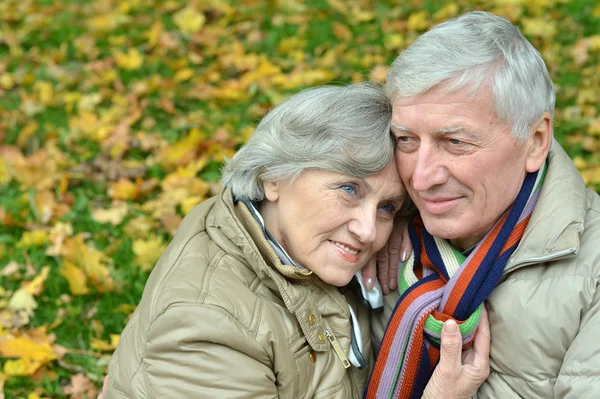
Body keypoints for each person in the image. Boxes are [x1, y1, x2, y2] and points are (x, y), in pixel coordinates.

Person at [99, 83, 490, 398]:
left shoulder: (282, 238)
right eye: (349, 189)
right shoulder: (212, 327)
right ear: (274, 177)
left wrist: (407, 225)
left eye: (387, 207)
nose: (368, 231)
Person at [367, 11, 600, 399]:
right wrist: (382, 220)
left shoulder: (591, 274)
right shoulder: (368, 231)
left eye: (455, 142)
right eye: (406, 140)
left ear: (536, 141)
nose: (421, 178)